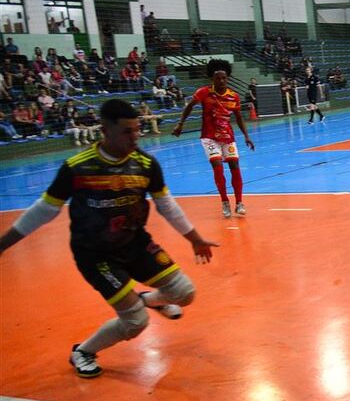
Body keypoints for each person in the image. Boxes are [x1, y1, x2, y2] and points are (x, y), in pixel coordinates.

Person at [0, 99, 218, 378]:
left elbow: (167, 205)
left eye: (137, 130)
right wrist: (3, 244)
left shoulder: (146, 164)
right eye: (127, 132)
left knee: (185, 293)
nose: (135, 136)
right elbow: (44, 210)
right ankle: (83, 351)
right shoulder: (78, 167)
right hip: (96, 255)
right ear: (105, 130)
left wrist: (195, 239)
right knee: (136, 321)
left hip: (136, 244)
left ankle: (148, 299)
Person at [172, 60, 255, 218]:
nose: (221, 81)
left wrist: (246, 136)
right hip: (209, 137)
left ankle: (239, 203)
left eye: (224, 78)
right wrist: (180, 124)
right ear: (212, 79)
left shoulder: (233, 97)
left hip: (227, 137)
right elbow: (189, 106)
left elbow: (238, 117)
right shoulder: (204, 92)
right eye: (218, 78)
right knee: (217, 166)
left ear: (227, 78)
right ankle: (224, 201)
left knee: (234, 166)